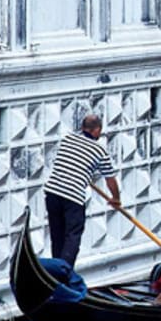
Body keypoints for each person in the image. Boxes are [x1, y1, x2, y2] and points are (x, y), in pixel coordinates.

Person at [43, 113, 119, 268]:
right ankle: (63, 271)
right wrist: (116, 198)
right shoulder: (99, 151)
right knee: (73, 235)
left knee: (57, 235)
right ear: (96, 130)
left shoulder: (67, 139)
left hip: (52, 193)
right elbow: (110, 179)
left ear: (83, 128)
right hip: (73, 197)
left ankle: (56, 270)